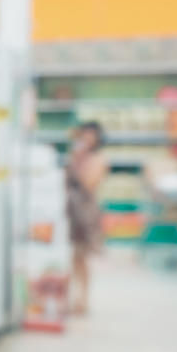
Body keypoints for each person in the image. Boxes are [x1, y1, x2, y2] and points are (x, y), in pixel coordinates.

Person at [66, 121, 108, 315]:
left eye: (92, 134)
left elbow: (89, 184)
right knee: (75, 257)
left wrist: (78, 162)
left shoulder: (99, 160)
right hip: (72, 210)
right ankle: (76, 298)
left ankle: (84, 299)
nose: (87, 138)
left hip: (87, 212)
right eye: (85, 134)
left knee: (83, 257)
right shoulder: (77, 157)